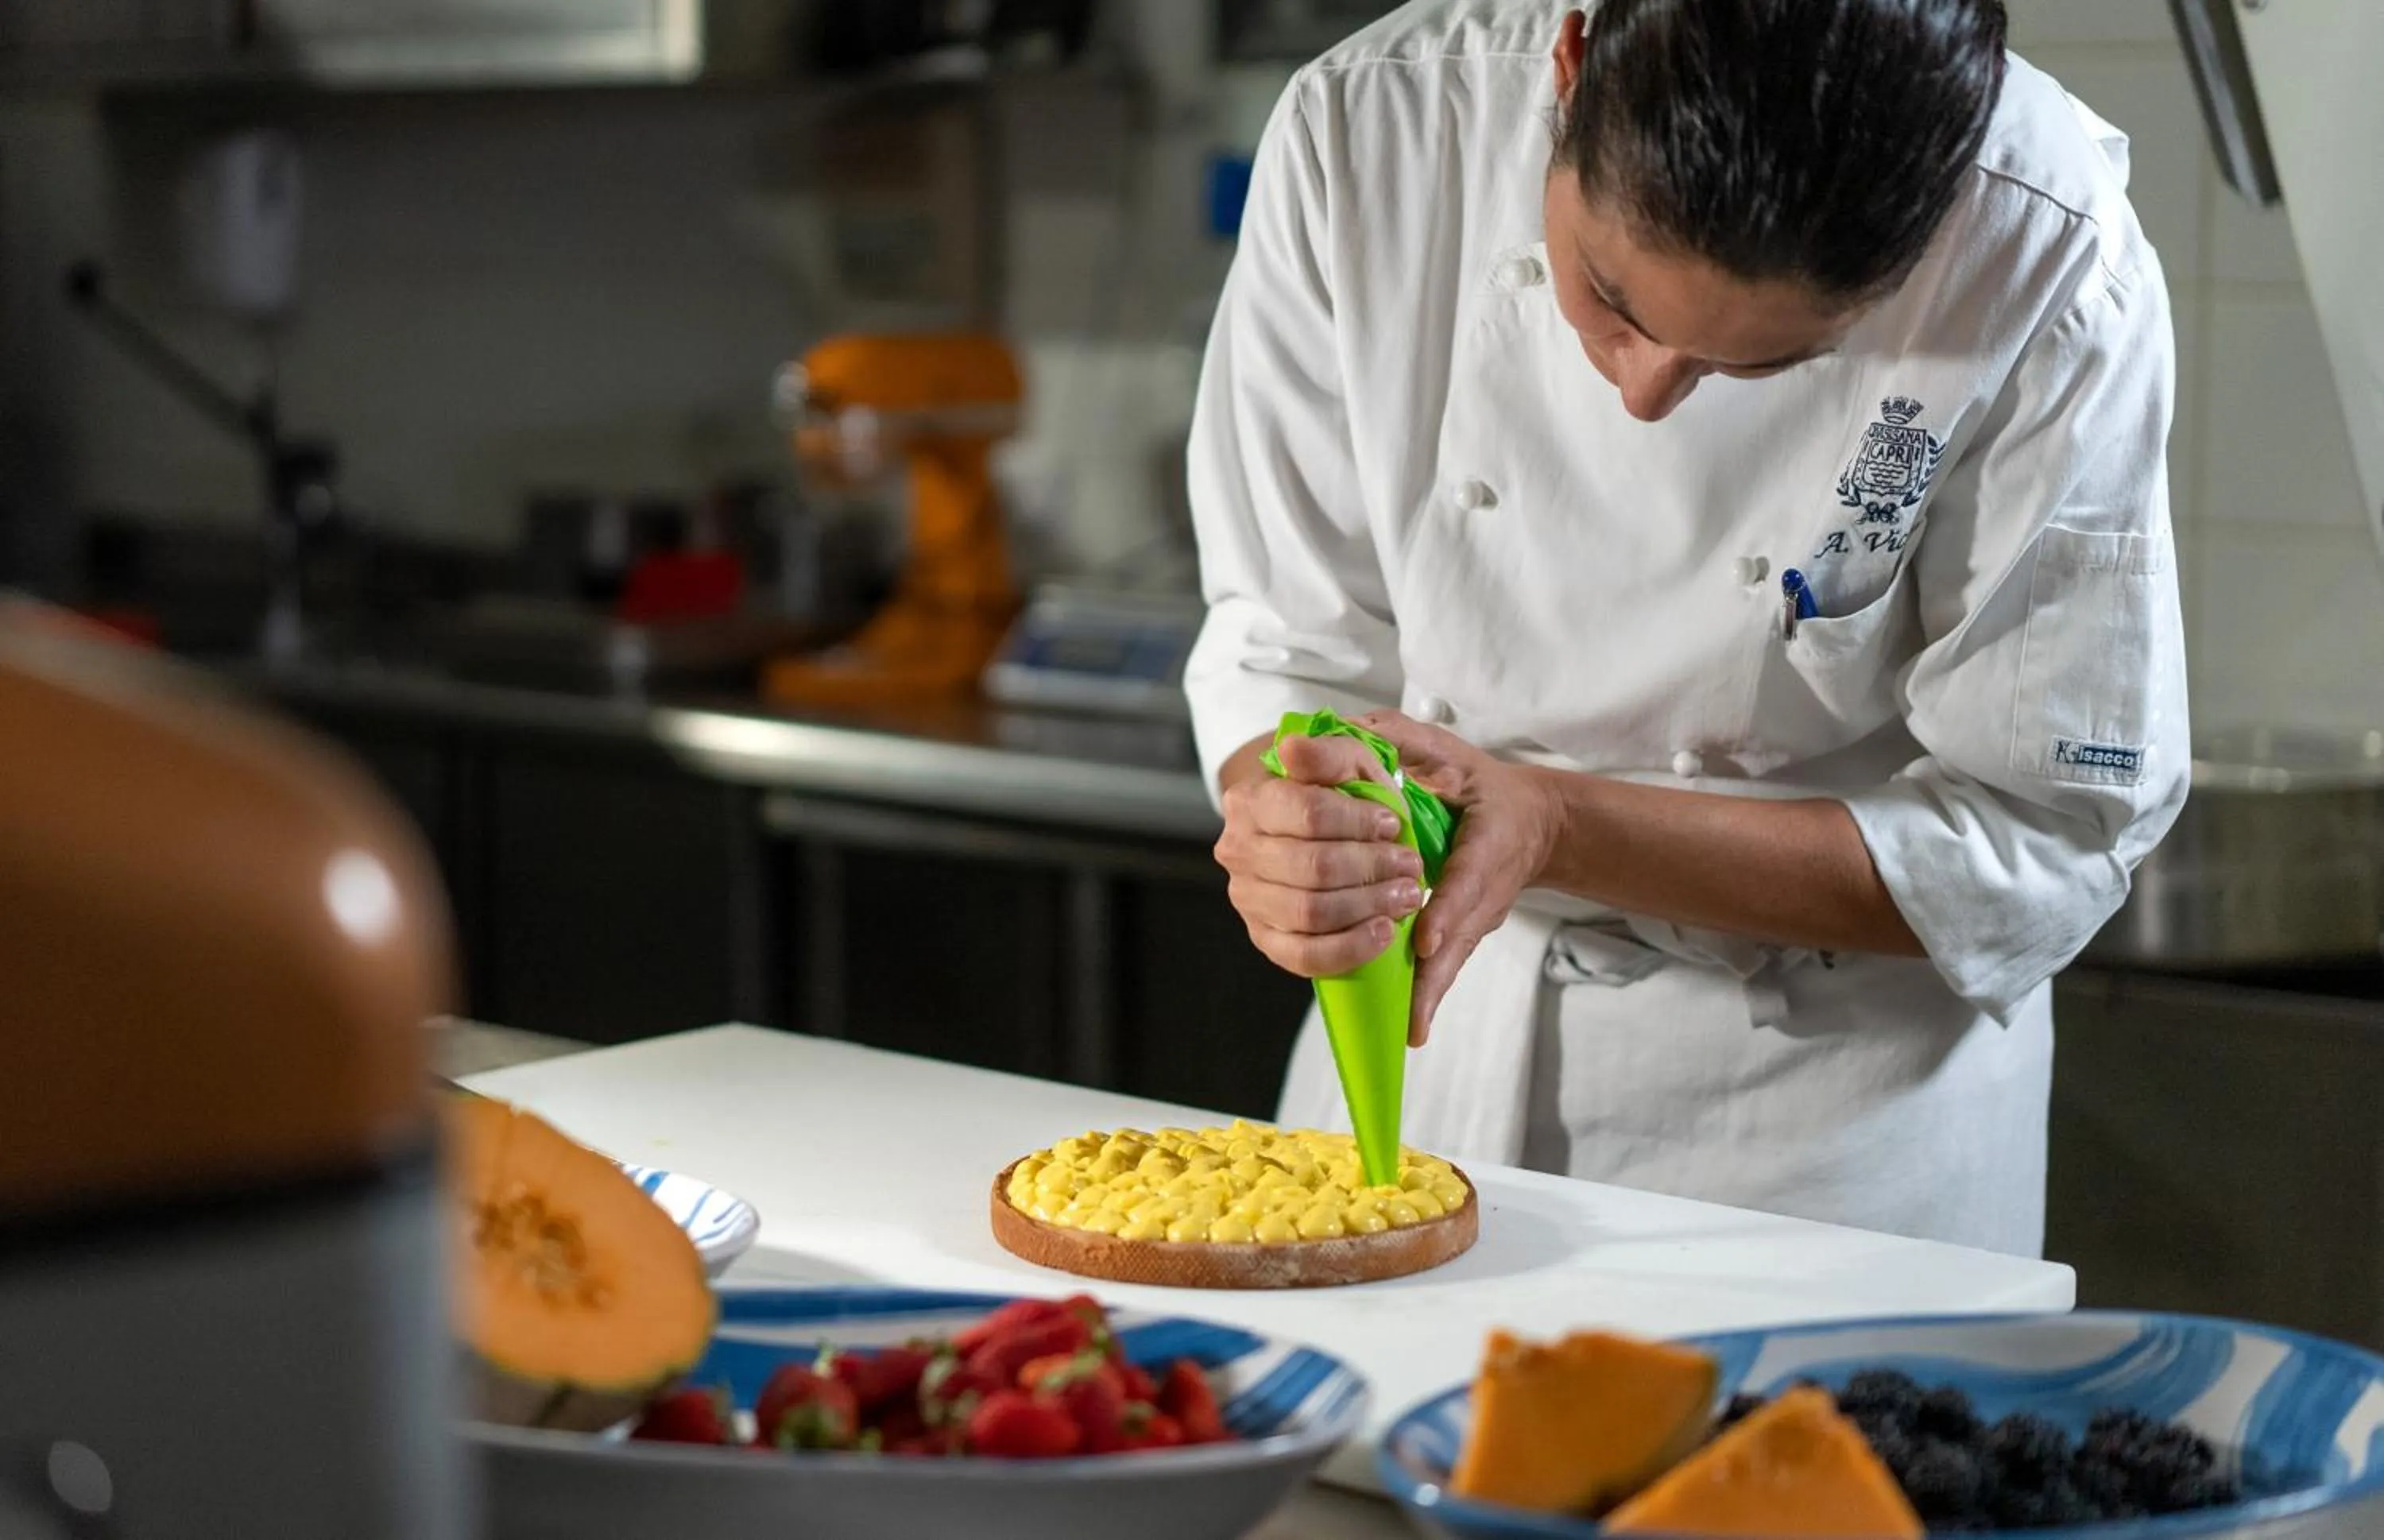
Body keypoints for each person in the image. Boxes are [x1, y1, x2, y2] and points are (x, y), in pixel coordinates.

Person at [1184, 0, 2189, 1256]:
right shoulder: (1372, 128)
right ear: (1570, 64)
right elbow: (1290, 643)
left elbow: (2039, 832)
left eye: (1758, 366)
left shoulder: (2046, 252)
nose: (1648, 388)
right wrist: (1295, 821)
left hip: (1828, 1143)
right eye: (1611, 294)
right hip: (1419, 1057)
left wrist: (1551, 823)